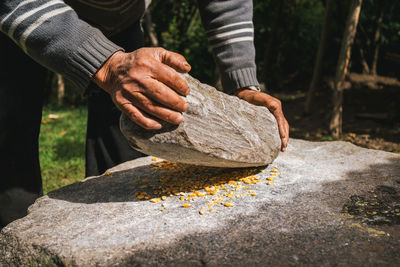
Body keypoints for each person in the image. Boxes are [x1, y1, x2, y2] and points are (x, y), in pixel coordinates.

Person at [0, 0, 289, 228]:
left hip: (120, 21)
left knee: (133, 142)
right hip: (24, 19)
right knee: (11, 147)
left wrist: (242, 83)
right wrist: (107, 64)